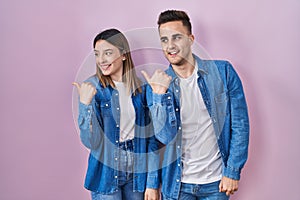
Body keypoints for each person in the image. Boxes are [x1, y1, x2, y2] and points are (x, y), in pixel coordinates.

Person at [142, 10, 250, 199]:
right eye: (164, 40)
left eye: (177, 37)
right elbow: (162, 138)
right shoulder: (156, 86)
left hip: (217, 183)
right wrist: (159, 97)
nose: (170, 46)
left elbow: (240, 125)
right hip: (177, 185)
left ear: (191, 39)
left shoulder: (223, 72)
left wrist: (232, 171)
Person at [73, 28, 160, 200]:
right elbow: (90, 141)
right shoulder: (92, 88)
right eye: (97, 54)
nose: (101, 60)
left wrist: (152, 182)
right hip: (106, 170)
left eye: (107, 53)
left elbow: (151, 139)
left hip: (137, 170)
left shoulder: (141, 88)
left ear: (124, 55)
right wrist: (85, 105)